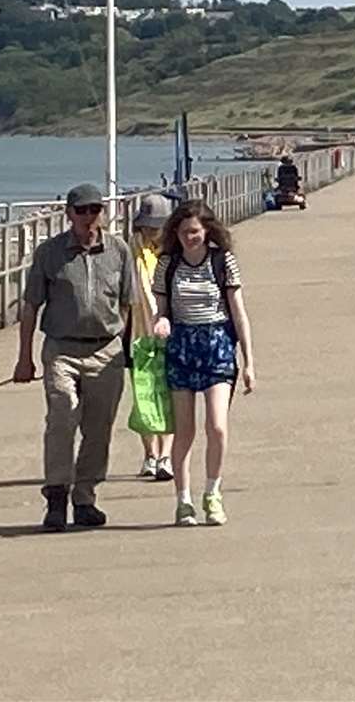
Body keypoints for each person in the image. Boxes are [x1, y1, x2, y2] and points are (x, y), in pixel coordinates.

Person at [14, 183, 133, 532]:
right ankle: (56, 496)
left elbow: (127, 302)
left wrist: (123, 345)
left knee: (99, 428)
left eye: (95, 209)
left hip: (105, 348)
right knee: (62, 415)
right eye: (81, 210)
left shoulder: (119, 251)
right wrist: (25, 358)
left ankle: (85, 497)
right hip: (61, 348)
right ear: (68, 214)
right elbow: (31, 305)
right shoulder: (50, 253)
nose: (89, 217)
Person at [152, 199, 254, 527]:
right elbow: (161, 309)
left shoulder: (222, 262)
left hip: (217, 346)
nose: (189, 238)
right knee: (184, 432)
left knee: (217, 426)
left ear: (207, 231)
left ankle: (213, 492)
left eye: (194, 231)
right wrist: (161, 322)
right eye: (183, 232)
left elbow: (238, 312)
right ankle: (183, 501)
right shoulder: (167, 264)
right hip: (181, 347)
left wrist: (249, 361)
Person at [129, 194, 174, 481]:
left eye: (156, 227)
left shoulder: (173, 252)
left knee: (171, 395)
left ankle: (166, 456)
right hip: (138, 333)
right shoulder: (130, 252)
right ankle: (150, 454)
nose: (152, 232)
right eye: (148, 227)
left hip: (171, 333)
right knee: (143, 397)